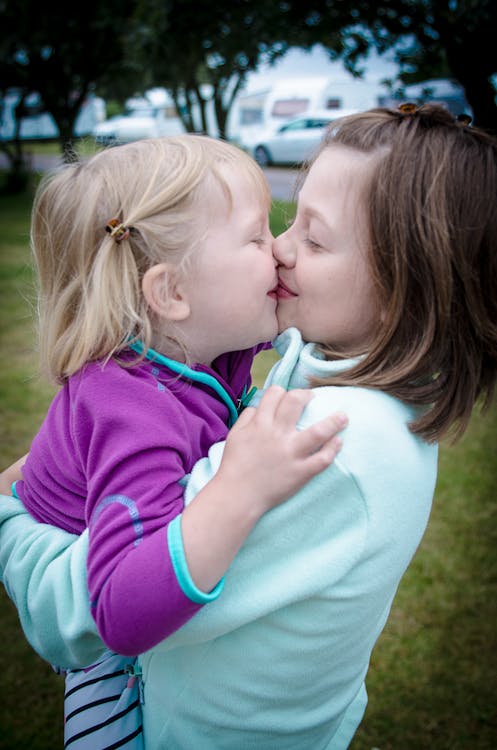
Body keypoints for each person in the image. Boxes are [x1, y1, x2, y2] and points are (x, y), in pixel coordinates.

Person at [1, 103, 497, 749]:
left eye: (314, 240)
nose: (282, 252)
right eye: (281, 227)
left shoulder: (332, 440)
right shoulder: (319, 378)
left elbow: (77, 615)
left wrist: (7, 516)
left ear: (413, 283)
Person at [0, 134, 345, 750]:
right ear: (172, 294)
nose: (282, 250)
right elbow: (119, 611)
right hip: (105, 661)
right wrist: (240, 490)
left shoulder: (201, 348)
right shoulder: (131, 409)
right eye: (258, 236)